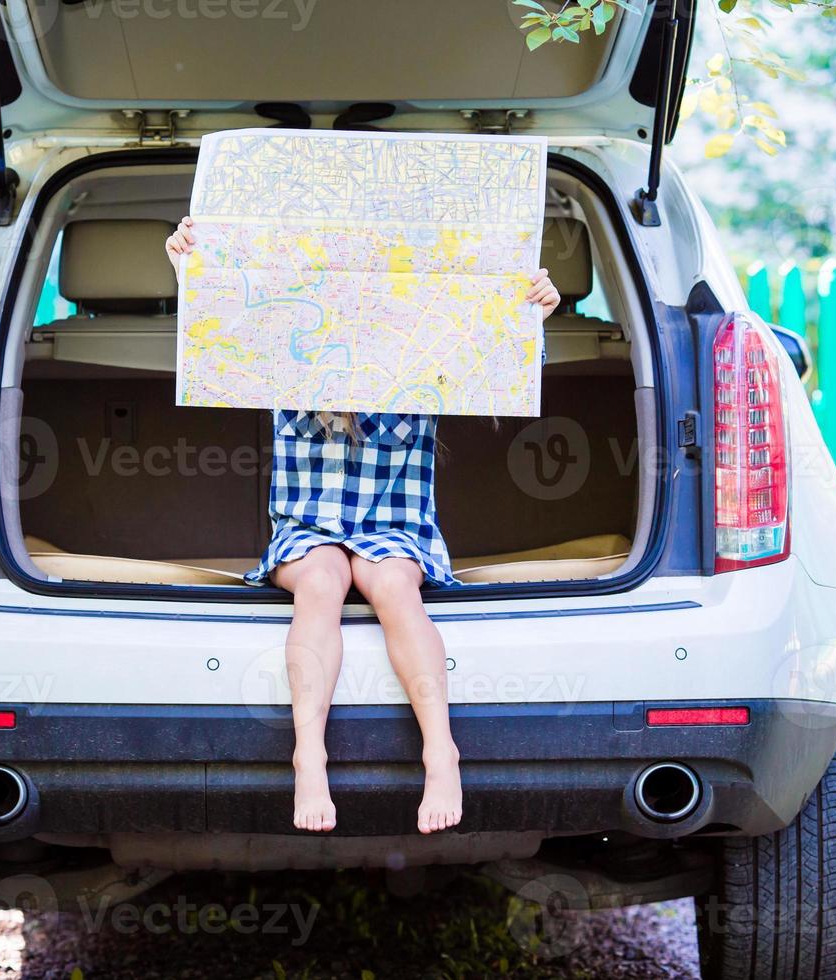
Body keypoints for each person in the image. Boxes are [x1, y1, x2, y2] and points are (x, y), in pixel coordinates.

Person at [166, 216, 560, 833]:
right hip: (307, 527)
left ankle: (441, 752)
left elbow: (500, 360)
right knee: (321, 582)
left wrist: (531, 310)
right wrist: (192, 263)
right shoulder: (286, 346)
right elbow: (222, 319)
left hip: (395, 526)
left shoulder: (426, 349)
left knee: (395, 586)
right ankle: (309, 756)